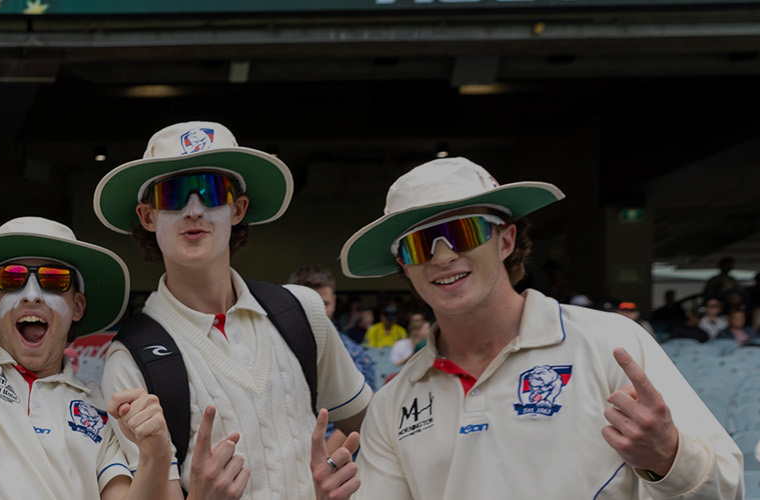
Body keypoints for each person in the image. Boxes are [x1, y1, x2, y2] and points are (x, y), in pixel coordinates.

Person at [339, 157, 741, 498]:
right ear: (405, 268)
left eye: (462, 232)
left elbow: (728, 485)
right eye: (417, 245)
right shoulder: (392, 403)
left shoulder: (609, 343)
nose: (442, 256)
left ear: (506, 240)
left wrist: (668, 458)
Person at [0, 3, 178, 498]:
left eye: (53, 281)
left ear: (77, 305)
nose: (31, 293)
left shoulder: (98, 411)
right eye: (12, 279)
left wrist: (157, 455)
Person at [93, 120, 373, 499]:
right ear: (147, 217)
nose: (194, 210)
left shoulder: (301, 311)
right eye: (173, 195)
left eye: (211, 192)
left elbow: (376, 430)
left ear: (237, 209)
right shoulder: (132, 359)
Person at [290, 265, 377, 391]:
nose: (318, 311)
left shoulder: (357, 358)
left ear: (334, 302)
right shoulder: (271, 350)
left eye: (324, 304)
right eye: (307, 304)